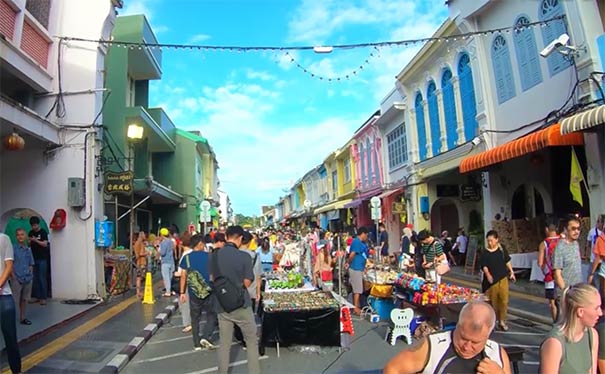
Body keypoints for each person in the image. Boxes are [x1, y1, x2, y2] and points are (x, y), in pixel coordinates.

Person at [384, 300, 511, 374]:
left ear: (487, 335)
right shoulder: (433, 346)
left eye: (475, 342)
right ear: (458, 325)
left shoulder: (497, 354)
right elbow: (392, 369)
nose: (467, 347)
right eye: (463, 338)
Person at [209, 225, 260, 374]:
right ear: (240, 239)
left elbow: (212, 279)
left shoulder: (214, 255)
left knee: (225, 344)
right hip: (241, 304)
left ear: (226, 237)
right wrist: (236, 285)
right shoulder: (244, 256)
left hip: (222, 305)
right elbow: (248, 282)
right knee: (251, 342)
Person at [540, 283, 601, 374]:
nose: (600, 313)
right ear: (580, 312)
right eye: (596, 308)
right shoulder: (555, 343)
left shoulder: (592, 335)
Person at [179, 234, 218, 351]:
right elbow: (214, 274)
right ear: (200, 244)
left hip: (193, 292)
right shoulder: (210, 256)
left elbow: (183, 276)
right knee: (212, 315)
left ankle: (196, 343)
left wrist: (182, 292)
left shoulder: (186, 258)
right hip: (208, 291)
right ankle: (206, 336)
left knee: (195, 318)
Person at [480, 230, 515, 331]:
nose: (490, 243)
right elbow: (484, 266)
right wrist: (488, 275)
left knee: (504, 301)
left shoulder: (501, 249)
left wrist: (511, 272)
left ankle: (502, 321)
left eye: (491, 240)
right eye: (488, 241)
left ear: (496, 239)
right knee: (492, 302)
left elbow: (507, 261)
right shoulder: (485, 252)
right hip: (491, 282)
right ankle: (492, 321)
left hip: (503, 278)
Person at [0, 233, 23, 374]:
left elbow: (9, 266)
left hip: (4, 296)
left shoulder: (3, 239)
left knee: (10, 338)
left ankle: (16, 370)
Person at [553, 216, 583, 292]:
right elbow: (557, 274)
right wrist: (565, 292)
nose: (576, 231)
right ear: (565, 230)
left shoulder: (576, 244)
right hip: (566, 294)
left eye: (578, 229)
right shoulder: (560, 247)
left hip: (577, 291)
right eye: (573, 229)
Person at [11, 228, 35, 325]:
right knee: (14, 300)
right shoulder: (13, 249)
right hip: (16, 278)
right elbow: (10, 263)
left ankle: (23, 318)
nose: (20, 236)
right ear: (16, 237)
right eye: (18, 235)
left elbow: (31, 263)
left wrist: (30, 274)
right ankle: (10, 319)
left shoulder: (28, 249)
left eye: (22, 234)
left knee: (24, 299)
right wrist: (13, 276)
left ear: (25, 236)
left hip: (27, 278)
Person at [538, 224, 560, 322]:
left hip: (550, 276)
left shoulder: (544, 244)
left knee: (552, 303)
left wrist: (544, 270)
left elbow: (540, 262)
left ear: (547, 229)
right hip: (563, 275)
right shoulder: (563, 241)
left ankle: (555, 323)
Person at [347, 227, 369, 315]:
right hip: (355, 268)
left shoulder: (360, 243)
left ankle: (356, 306)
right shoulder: (356, 241)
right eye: (366, 235)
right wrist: (349, 263)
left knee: (357, 289)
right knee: (357, 290)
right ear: (363, 234)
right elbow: (352, 254)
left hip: (359, 268)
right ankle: (356, 308)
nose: (366, 237)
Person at [28, 216, 49, 305]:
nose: (34, 227)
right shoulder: (31, 232)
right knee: (34, 278)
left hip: (42, 258)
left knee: (41, 277)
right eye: (32, 225)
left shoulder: (43, 232)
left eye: (35, 225)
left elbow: (45, 244)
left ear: (38, 224)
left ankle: (43, 297)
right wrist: (30, 241)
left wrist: (35, 240)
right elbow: (29, 244)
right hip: (33, 258)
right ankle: (35, 296)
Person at [175, 231, 193, 333]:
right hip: (194, 281)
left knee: (184, 303)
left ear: (181, 243)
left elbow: (182, 273)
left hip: (185, 282)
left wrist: (175, 274)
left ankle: (188, 323)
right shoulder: (193, 252)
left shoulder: (185, 255)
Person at [158, 228, 176, 297]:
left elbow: (162, 253)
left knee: (166, 278)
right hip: (171, 261)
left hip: (165, 262)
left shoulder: (163, 243)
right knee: (170, 277)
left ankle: (168, 292)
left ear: (162, 235)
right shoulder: (171, 242)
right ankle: (170, 290)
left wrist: (158, 248)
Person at [134, 231, 147, 299]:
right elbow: (138, 254)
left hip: (142, 262)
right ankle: (138, 292)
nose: (145, 236)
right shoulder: (138, 243)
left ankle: (139, 291)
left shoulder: (141, 243)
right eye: (144, 235)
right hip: (140, 263)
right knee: (139, 277)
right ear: (141, 236)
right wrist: (146, 253)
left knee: (140, 277)